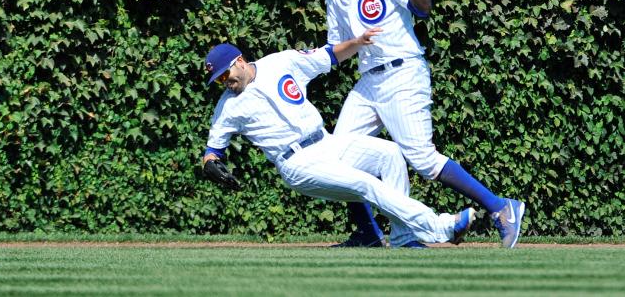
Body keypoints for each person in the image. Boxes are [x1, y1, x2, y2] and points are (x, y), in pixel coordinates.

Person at [316, 0, 525, 248]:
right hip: (369, 80)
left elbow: (424, 7)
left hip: (402, 71)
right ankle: (368, 233)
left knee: (423, 158)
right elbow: (337, 49)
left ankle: (501, 208)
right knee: (338, 159)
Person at [201, 29, 476, 247]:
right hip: (297, 163)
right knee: (366, 184)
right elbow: (213, 149)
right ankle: (441, 227)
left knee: (390, 154)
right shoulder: (227, 106)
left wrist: (357, 42)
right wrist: (211, 163)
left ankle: (403, 238)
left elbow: (327, 56)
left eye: (224, 74)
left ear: (239, 61)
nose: (224, 82)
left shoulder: (280, 62)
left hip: (326, 142)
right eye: (218, 80)